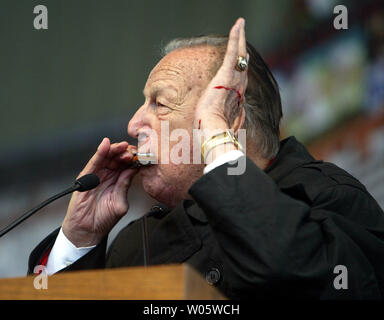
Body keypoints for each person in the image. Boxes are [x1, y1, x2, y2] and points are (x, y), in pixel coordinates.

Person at [28, 18, 384, 299]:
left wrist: (216, 134)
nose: (134, 123)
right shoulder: (138, 243)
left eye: (160, 103)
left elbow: (295, 272)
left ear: (229, 117)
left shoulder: (328, 194)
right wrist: (78, 241)